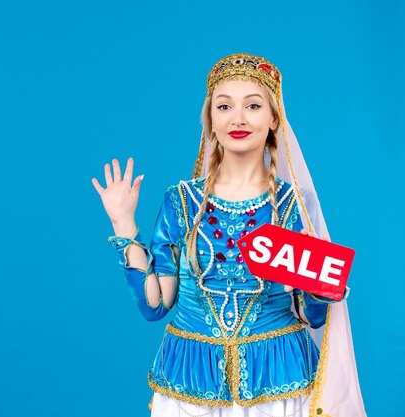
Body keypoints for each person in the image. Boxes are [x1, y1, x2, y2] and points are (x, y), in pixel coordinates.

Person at [91, 53, 366, 417]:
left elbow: (308, 313)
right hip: (189, 381)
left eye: (252, 105)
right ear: (210, 120)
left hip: (277, 381)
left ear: (272, 118)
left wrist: (321, 289)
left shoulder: (290, 206)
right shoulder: (181, 203)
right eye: (224, 106)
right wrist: (124, 224)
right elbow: (155, 305)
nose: (238, 118)